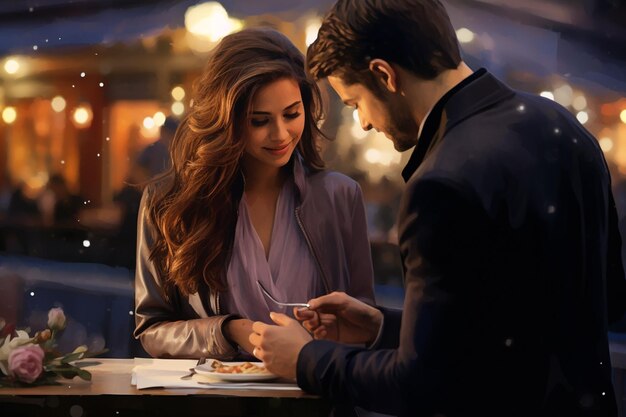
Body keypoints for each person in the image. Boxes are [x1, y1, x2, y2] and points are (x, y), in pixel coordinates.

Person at [248, 1, 626, 416]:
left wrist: (306, 359)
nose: (364, 124)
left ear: (384, 75)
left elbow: (421, 384)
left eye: (355, 104)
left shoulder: (438, 184)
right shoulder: (565, 128)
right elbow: (582, 304)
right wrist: (387, 327)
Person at [133, 27, 375, 360]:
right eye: (259, 120)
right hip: (216, 402)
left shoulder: (340, 197)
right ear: (226, 119)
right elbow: (152, 329)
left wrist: (327, 336)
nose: (280, 134)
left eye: (292, 114)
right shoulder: (169, 201)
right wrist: (227, 331)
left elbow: (365, 324)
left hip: (315, 401)